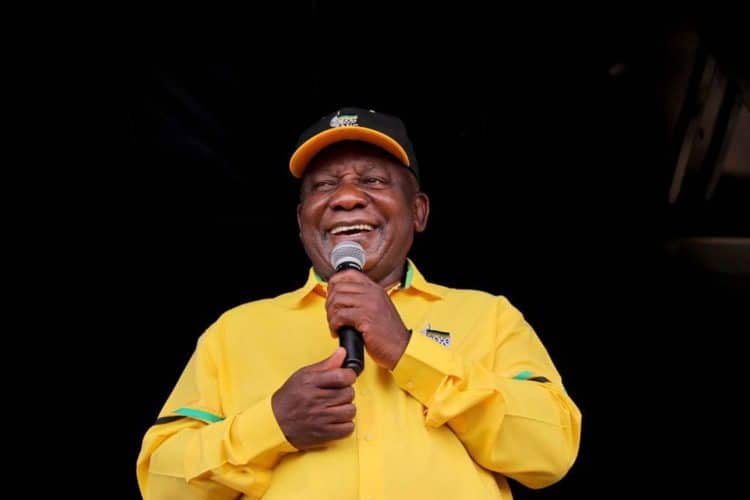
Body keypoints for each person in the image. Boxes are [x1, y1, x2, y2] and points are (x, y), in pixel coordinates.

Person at [136, 107, 582, 499]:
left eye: (372, 180)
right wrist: (272, 425)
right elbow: (161, 484)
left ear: (418, 211)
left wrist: (409, 352)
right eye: (324, 185)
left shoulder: (489, 317)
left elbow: (550, 451)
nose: (346, 197)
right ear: (302, 220)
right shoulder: (235, 331)